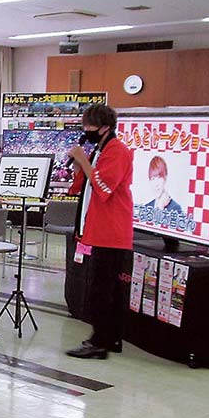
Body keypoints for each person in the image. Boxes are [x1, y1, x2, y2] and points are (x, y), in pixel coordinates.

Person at [65, 104, 134, 360]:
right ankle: (110, 337)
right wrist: (79, 166)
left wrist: (83, 159)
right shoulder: (101, 148)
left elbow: (104, 188)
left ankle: (99, 342)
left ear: (105, 127)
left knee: (101, 289)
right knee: (109, 289)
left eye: (89, 126)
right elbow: (85, 185)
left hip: (111, 231)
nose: (86, 131)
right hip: (99, 228)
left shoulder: (118, 151)